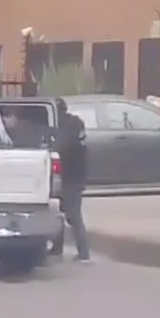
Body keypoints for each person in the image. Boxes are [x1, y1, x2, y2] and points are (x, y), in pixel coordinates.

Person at [50, 97, 91, 263]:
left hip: (72, 175)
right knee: (60, 213)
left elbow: (61, 145)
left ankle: (84, 253)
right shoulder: (73, 124)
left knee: (72, 215)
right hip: (67, 174)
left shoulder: (69, 126)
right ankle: (57, 248)